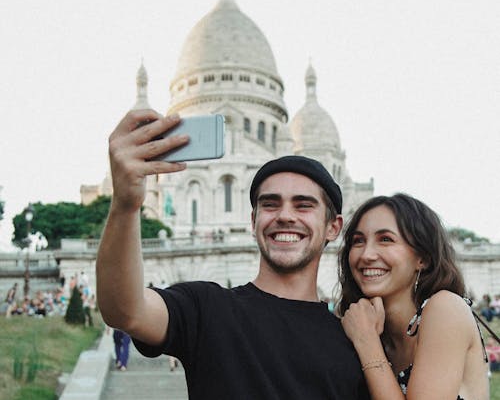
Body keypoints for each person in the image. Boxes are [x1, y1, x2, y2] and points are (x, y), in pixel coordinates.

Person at [96, 109, 370, 400]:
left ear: (333, 227)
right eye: (270, 204)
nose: (285, 216)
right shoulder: (207, 308)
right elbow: (125, 311)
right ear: (253, 221)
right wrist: (126, 205)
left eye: (303, 205)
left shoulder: (354, 339)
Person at [337, 193, 489, 399]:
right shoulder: (370, 327)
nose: (366, 254)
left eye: (385, 239)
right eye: (358, 241)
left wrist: (367, 343)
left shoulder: (445, 308)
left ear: (423, 258)